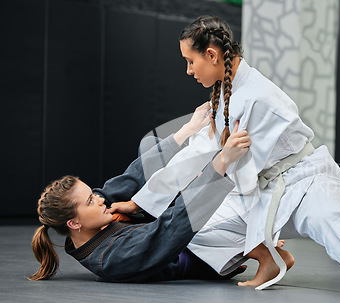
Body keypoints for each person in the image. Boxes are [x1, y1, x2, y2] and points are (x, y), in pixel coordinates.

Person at [129, 15, 340, 303]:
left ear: (211, 55)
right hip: (259, 189)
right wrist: (142, 203)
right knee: (192, 223)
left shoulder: (256, 97)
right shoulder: (224, 91)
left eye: (190, 61)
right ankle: (268, 256)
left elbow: (226, 164)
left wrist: (157, 195)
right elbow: (197, 153)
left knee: (332, 223)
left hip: (304, 181)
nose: (188, 70)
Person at [29, 105, 260, 282]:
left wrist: (187, 130)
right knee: (218, 189)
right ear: (74, 223)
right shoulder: (112, 258)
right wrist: (221, 163)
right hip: (195, 249)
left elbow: (130, 178)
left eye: (93, 194)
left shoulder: (91, 219)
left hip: (168, 223)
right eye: (91, 200)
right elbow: (172, 228)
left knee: (150, 144)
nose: (99, 199)